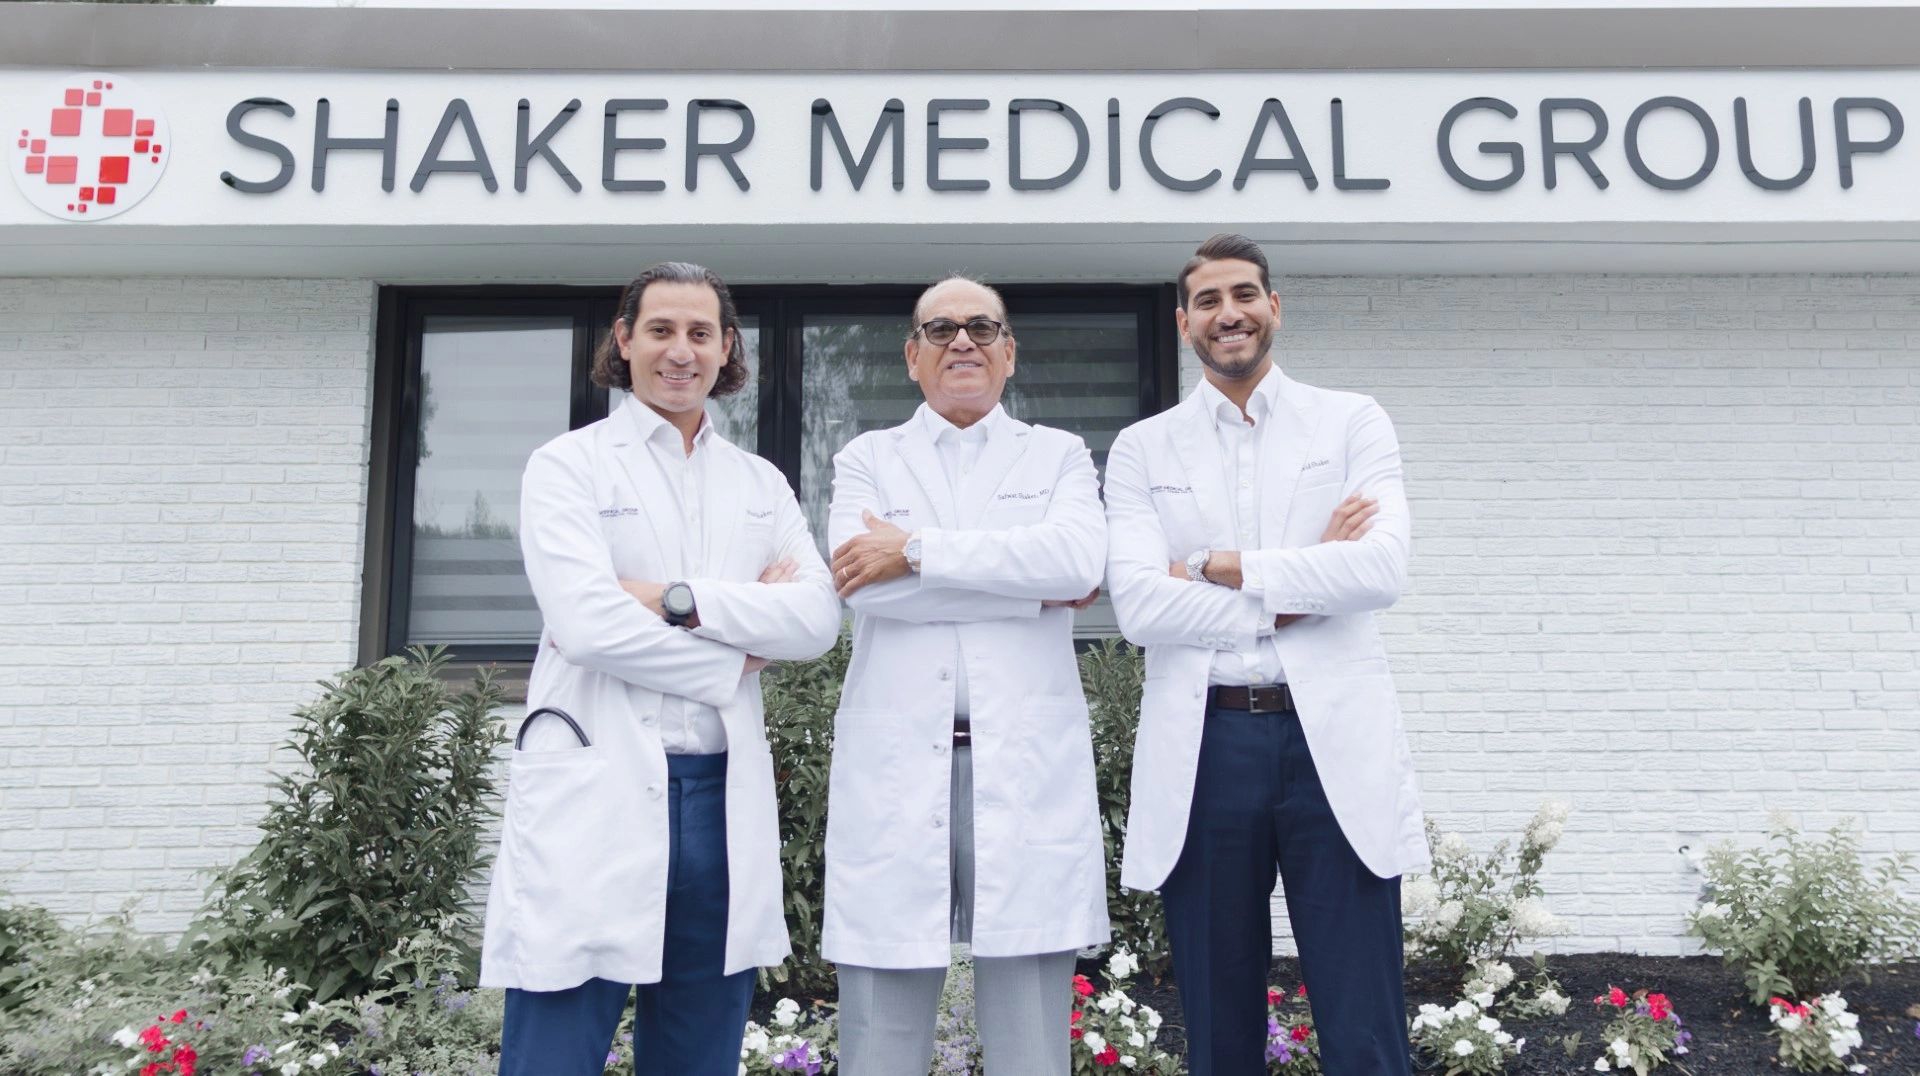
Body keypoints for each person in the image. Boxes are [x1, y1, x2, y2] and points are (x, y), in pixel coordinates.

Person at [479, 262, 841, 1076]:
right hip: (596, 778)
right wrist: (736, 651)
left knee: (697, 1050)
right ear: (624, 340)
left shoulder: (759, 482)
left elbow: (816, 620)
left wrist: (673, 599)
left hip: (720, 794)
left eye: (700, 333)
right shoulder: (567, 465)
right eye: (661, 330)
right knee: (554, 1050)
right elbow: (586, 625)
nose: (681, 351)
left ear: (727, 348)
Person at [1104, 234, 1429, 1075]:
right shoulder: (1143, 448)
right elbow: (1140, 608)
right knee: (1218, 1025)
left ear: (1273, 307)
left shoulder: (1351, 421)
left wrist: (1219, 567)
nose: (1230, 314)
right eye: (1208, 301)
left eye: (1244, 294)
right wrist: (1303, 584)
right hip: (1207, 744)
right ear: (1184, 323)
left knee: (1364, 1024)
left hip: (1330, 744)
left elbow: (1379, 571)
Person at [823, 275, 1109, 1076]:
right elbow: (861, 584)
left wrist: (915, 551)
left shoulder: (1058, 454)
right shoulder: (866, 458)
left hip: (1023, 763)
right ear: (911, 355)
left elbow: (1077, 563)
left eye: (982, 328)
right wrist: (1026, 590)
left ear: (1008, 352)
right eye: (941, 329)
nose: (962, 342)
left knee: (1031, 1032)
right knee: (880, 1022)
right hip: (897, 764)